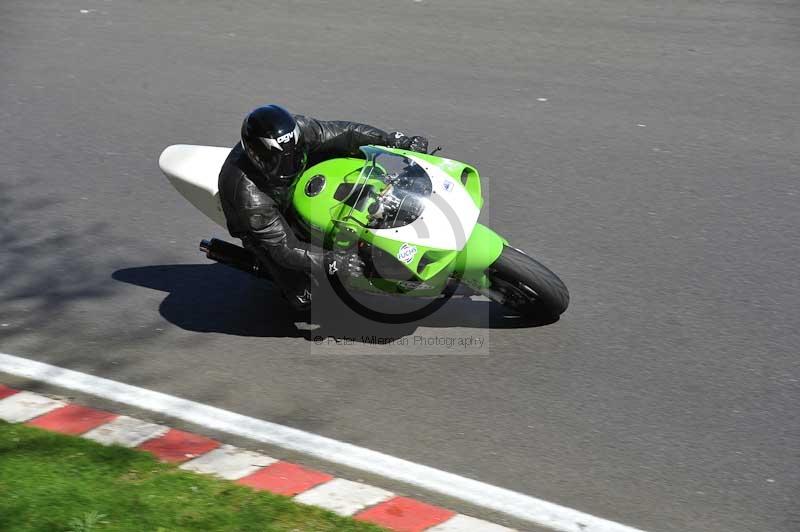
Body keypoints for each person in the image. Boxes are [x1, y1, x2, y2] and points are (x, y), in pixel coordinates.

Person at [218, 104, 428, 311]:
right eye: (281, 161)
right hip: (266, 216)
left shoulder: (297, 131)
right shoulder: (249, 198)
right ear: (257, 159)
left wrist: (393, 141)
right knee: (304, 296)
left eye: (294, 153)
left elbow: (345, 133)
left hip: (305, 179)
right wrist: (334, 260)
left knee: (353, 152)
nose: (291, 163)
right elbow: (285, 248)